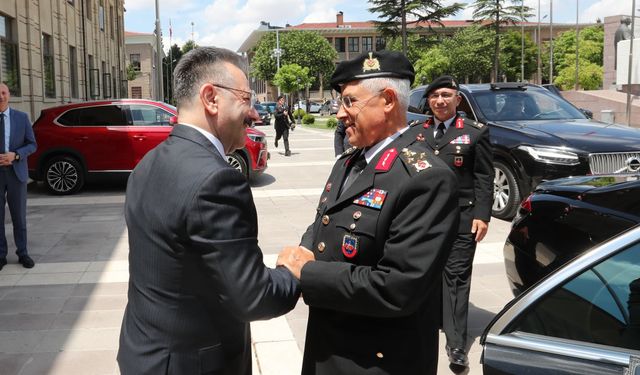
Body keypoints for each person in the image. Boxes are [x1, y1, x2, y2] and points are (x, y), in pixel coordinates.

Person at [117, 47, 303, 375]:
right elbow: (254, 296)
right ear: (211, 98)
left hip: (143, 354)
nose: (255, 114)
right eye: (246, 99)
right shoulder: (216, 180)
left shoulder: (148, 163)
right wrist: (293, 272)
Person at [277, 51, 460, 375]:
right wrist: (305, 248)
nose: (339, 114)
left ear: (388, 100)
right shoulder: (348, 162)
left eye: (349, 102)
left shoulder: (426, 178)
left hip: (377, 361)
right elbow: (328, 221)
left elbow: (398, 287)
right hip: (329, 349)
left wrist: (308, 272)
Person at [421, 75, 494, 370]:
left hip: (461, 219)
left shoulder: (475, 133)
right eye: (435, 95)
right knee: (427, 275)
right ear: (428, 101)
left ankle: (456, 345)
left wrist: (482, 215)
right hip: (424, 219)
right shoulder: (417, 132)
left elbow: (484, 177)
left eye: (446, 95)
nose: (440, 100)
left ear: (457, 99)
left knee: (456, 279)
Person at [0, 83, 37, 271]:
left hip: (16, 172)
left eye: (3, 92)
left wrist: (15, 155)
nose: (1, 96)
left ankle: (22, 253)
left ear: (9, 95)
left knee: (19, 217)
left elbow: (32, 145)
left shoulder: (21, 118)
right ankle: (1, 254)